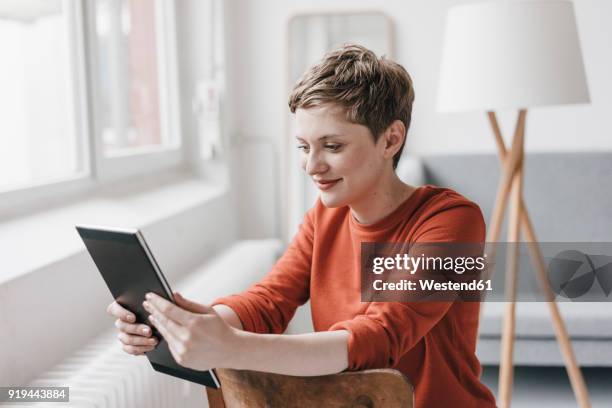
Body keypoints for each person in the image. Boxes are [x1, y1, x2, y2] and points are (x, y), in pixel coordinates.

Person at [107, 44, 497, 407]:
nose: (312, 166)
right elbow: (270, 300)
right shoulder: (326, 215)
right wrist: (192, 324)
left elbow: (381, 336)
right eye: (303, 147)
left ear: (391, 139)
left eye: (333, 146)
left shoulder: (453, 221)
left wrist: (229, 347)